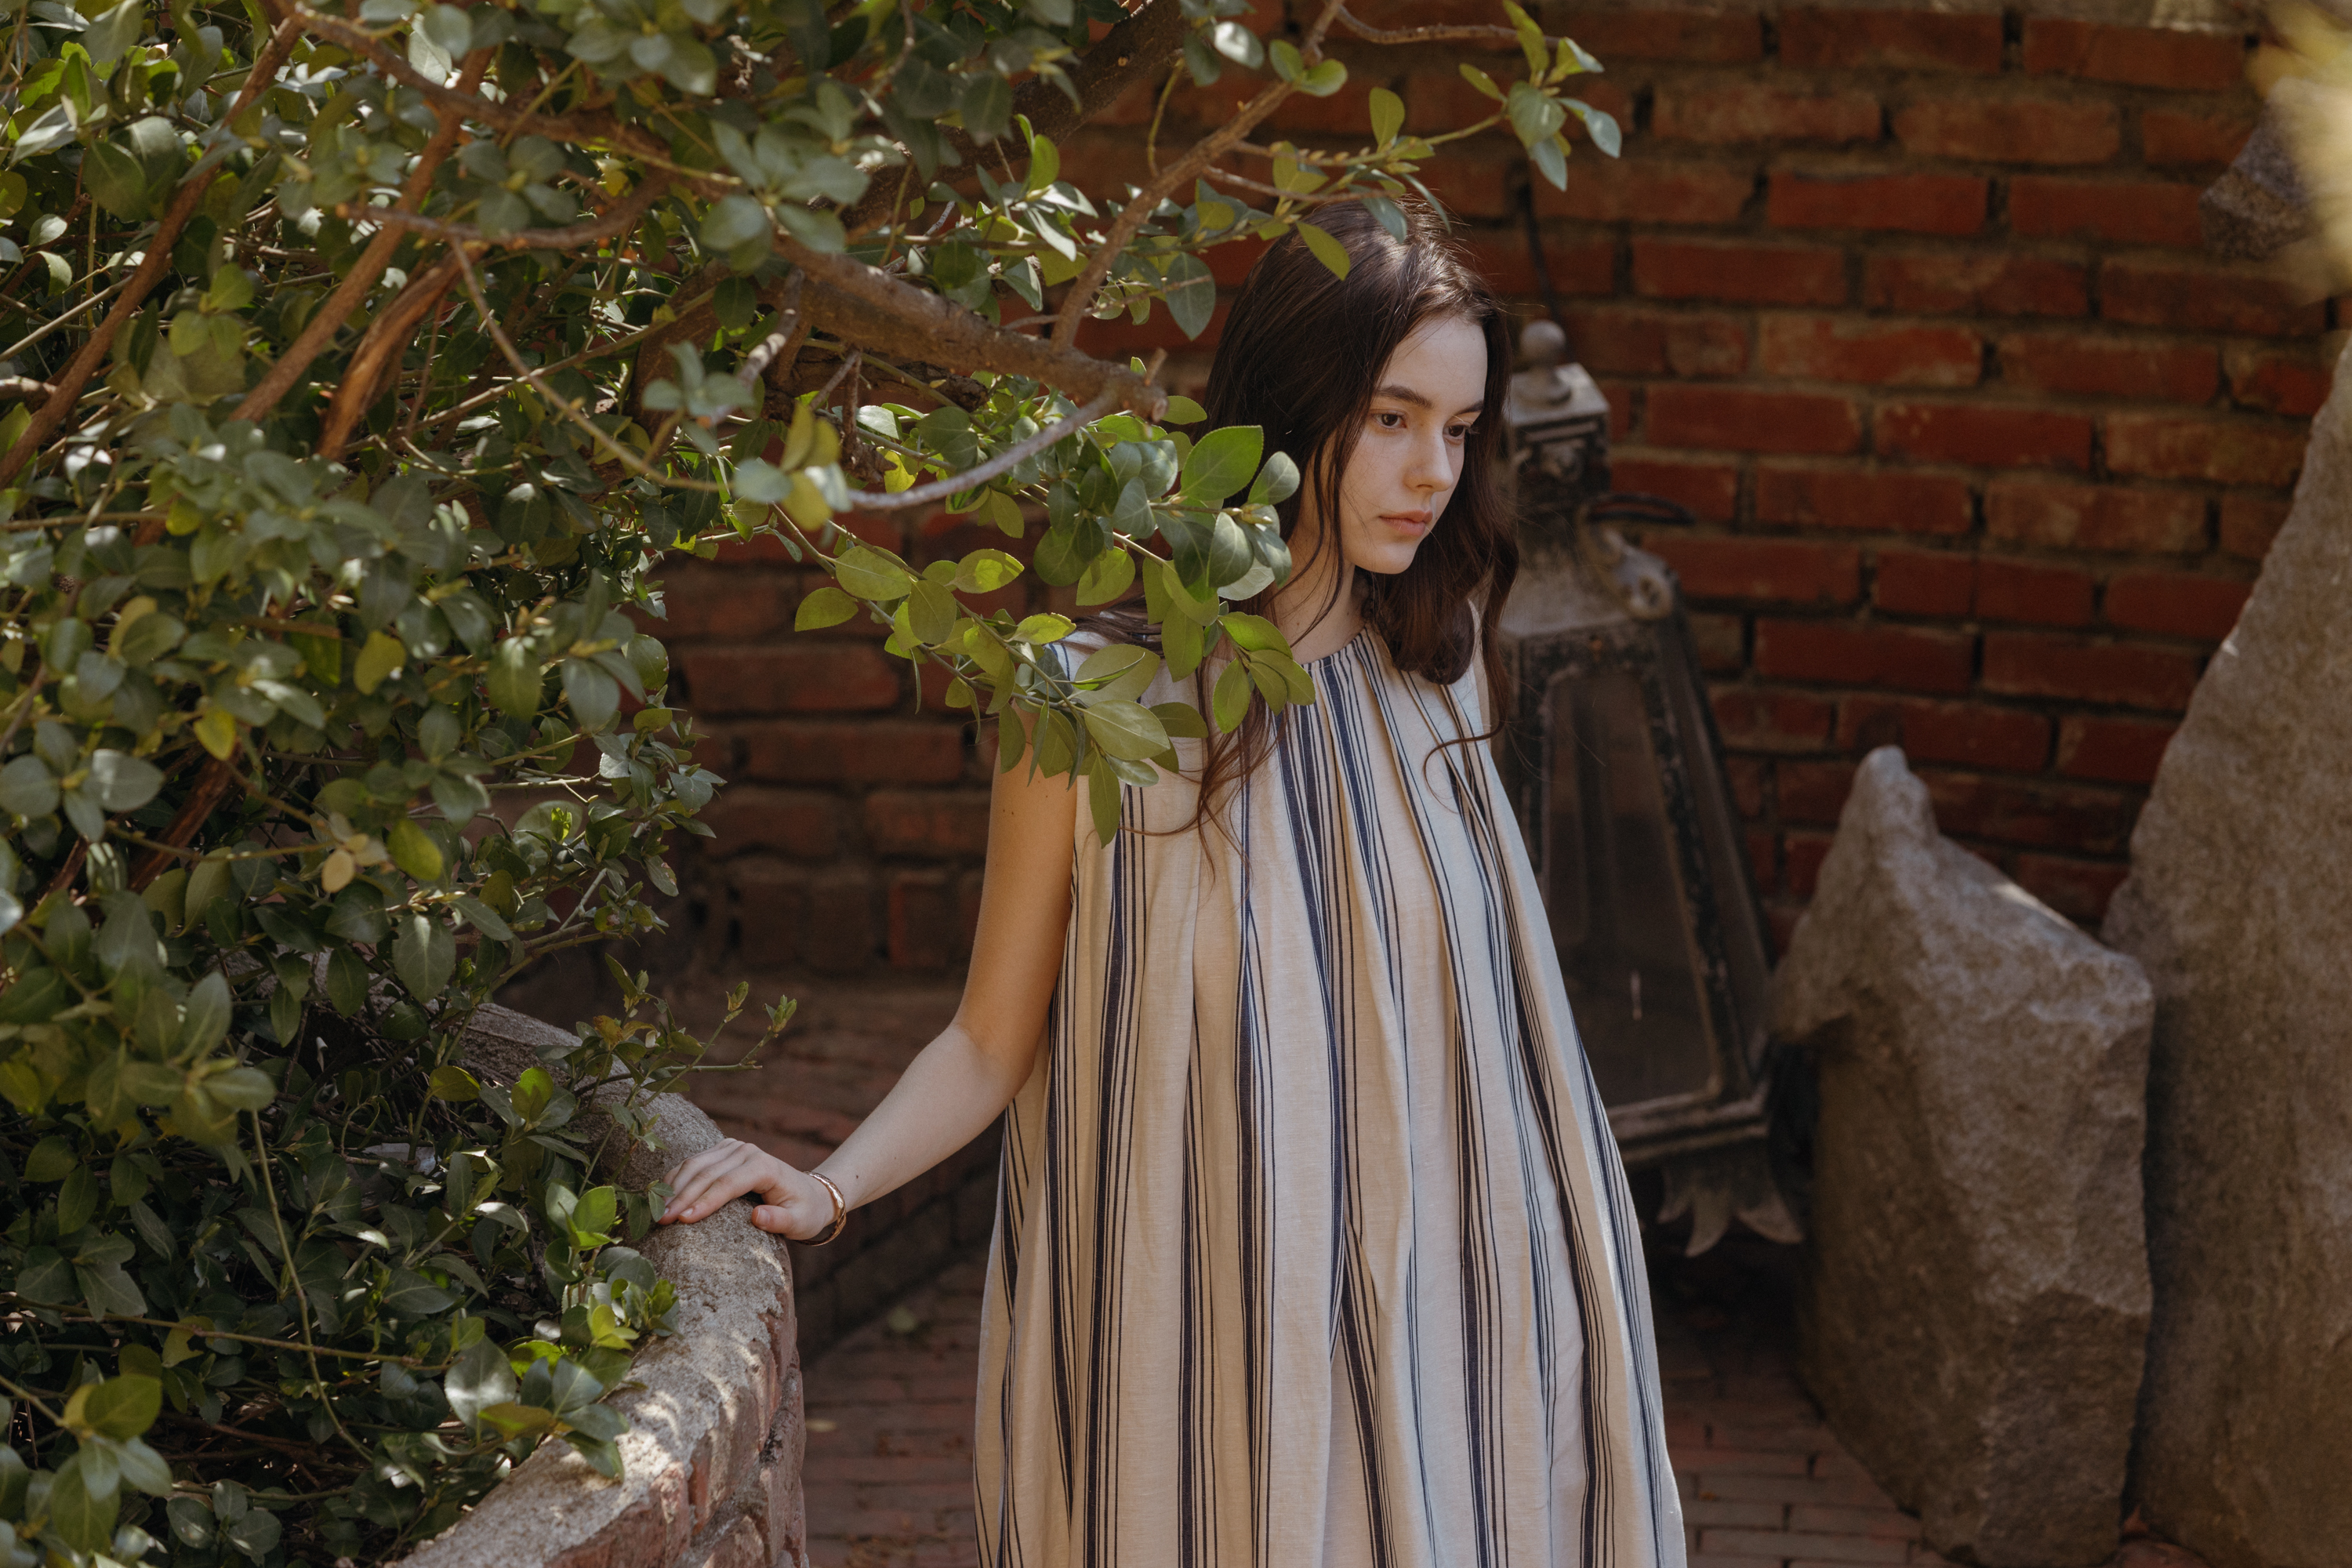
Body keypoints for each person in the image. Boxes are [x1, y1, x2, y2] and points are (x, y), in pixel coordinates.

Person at [661, 199, 1687, 1568]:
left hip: (1450, 1319)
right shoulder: (1088, 703)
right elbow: (991, 1037)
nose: (1432, 472)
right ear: (1292, 409)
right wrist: (828, 1185)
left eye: (1457, 429)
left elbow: (1482, 1047)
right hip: (1202, 1336)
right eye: (1391, 418)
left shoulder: (1442, 676)